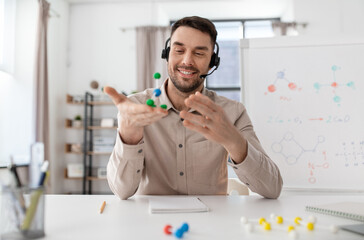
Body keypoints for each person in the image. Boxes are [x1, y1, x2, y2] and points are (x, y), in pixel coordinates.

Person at [104, 16, 283, 200]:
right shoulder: (136, 108)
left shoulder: (232, 112)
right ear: (167, 54)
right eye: (179, 50)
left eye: (199, 53)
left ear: (212, 62)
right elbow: (121, 191)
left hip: (211, 222)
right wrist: (129, 137)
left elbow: (272, 189)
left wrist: (235, 142)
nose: (187, 61)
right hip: (152, 224)